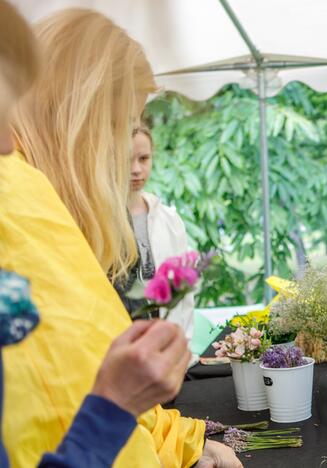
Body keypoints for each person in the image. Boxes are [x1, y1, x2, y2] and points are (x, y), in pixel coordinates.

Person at [6, 7, 241, 467]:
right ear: (80, 120)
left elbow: (84, 383)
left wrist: (186, 446)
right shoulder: (20, 200)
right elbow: (61, 412)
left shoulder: (40, 201)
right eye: (119, 128)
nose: (126, 158)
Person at [121, 124, 198, 366]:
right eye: (126, 160)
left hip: (167, 353)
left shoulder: (169, 219)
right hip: (122, 352)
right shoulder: (98, 223)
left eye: (143, 158)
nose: (136, 169)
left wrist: (181, 347)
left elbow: (185, 293)